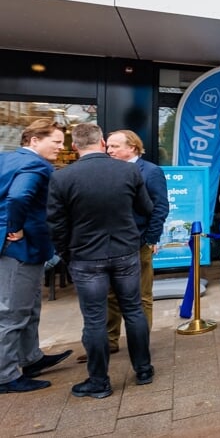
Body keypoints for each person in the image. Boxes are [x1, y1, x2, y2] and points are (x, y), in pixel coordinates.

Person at [47, 123, 154, 399]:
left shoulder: (62, 178)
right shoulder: (128, 171)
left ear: (75, 147)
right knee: (134, 310)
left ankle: (99, 381)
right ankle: (143, 370)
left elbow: (56, 224)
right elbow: (146, 208)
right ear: (103, 144)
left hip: (85, 256)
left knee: (94, 319)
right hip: (125, 252)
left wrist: (67, 254)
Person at [0, 120, 73, 394]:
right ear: (33, 140)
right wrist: (14, 228)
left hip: (20, 249)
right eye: (55, 141)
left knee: (28, 307)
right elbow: (18, 197)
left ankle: (31, 358)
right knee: (12, 313)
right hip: (20, 249)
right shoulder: (36, 165)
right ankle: (6, 376)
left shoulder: (6, 159)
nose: (60, 147)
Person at [101, 130, 169, 364]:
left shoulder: (150, 172)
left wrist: (151, 238)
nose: (110, 151)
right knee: (110, 294)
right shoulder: (107, 170)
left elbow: (160, 207)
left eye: (115, 146)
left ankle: (140, 343)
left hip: (138, 242)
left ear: (132, 147)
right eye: (108, 146)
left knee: (141, 296)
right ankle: (109, 341)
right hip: (109, 244)